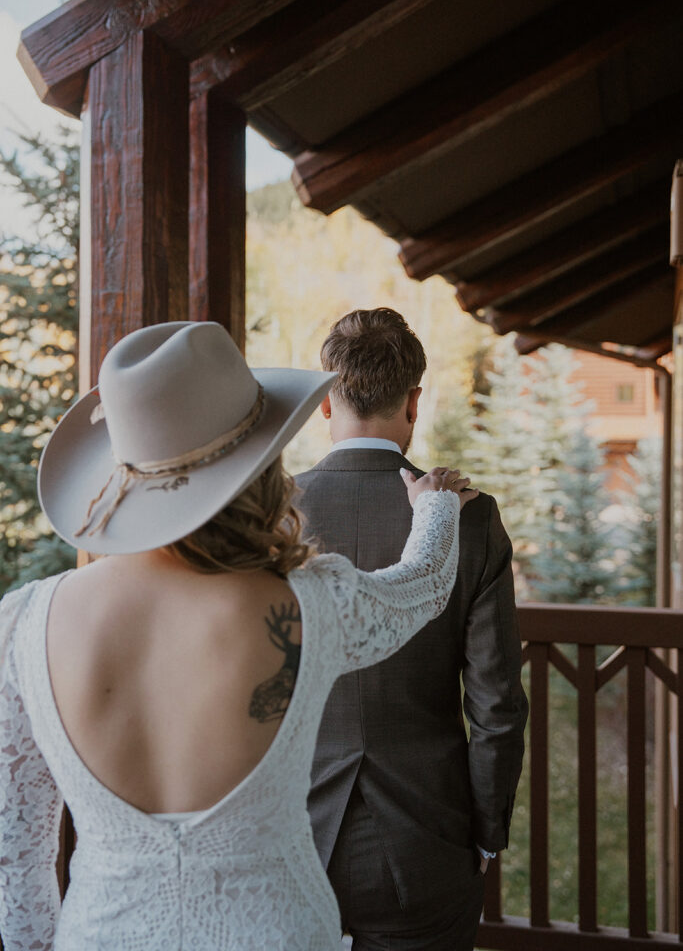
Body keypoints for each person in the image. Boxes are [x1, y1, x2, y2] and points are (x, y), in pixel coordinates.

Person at [0, 320, 478, 951]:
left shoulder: (23, 623)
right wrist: (436, 507)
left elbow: (17, 854)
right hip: (274, 933)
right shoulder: (311, 600)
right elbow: (422, 589)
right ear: (259, 460)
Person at [296, 308, 528, 951]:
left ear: (323, 401)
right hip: (427, 839)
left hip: (291, 839)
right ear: (415, 401)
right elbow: (497, 703)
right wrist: (486, 831)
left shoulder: (271, 516)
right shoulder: (469, 519)